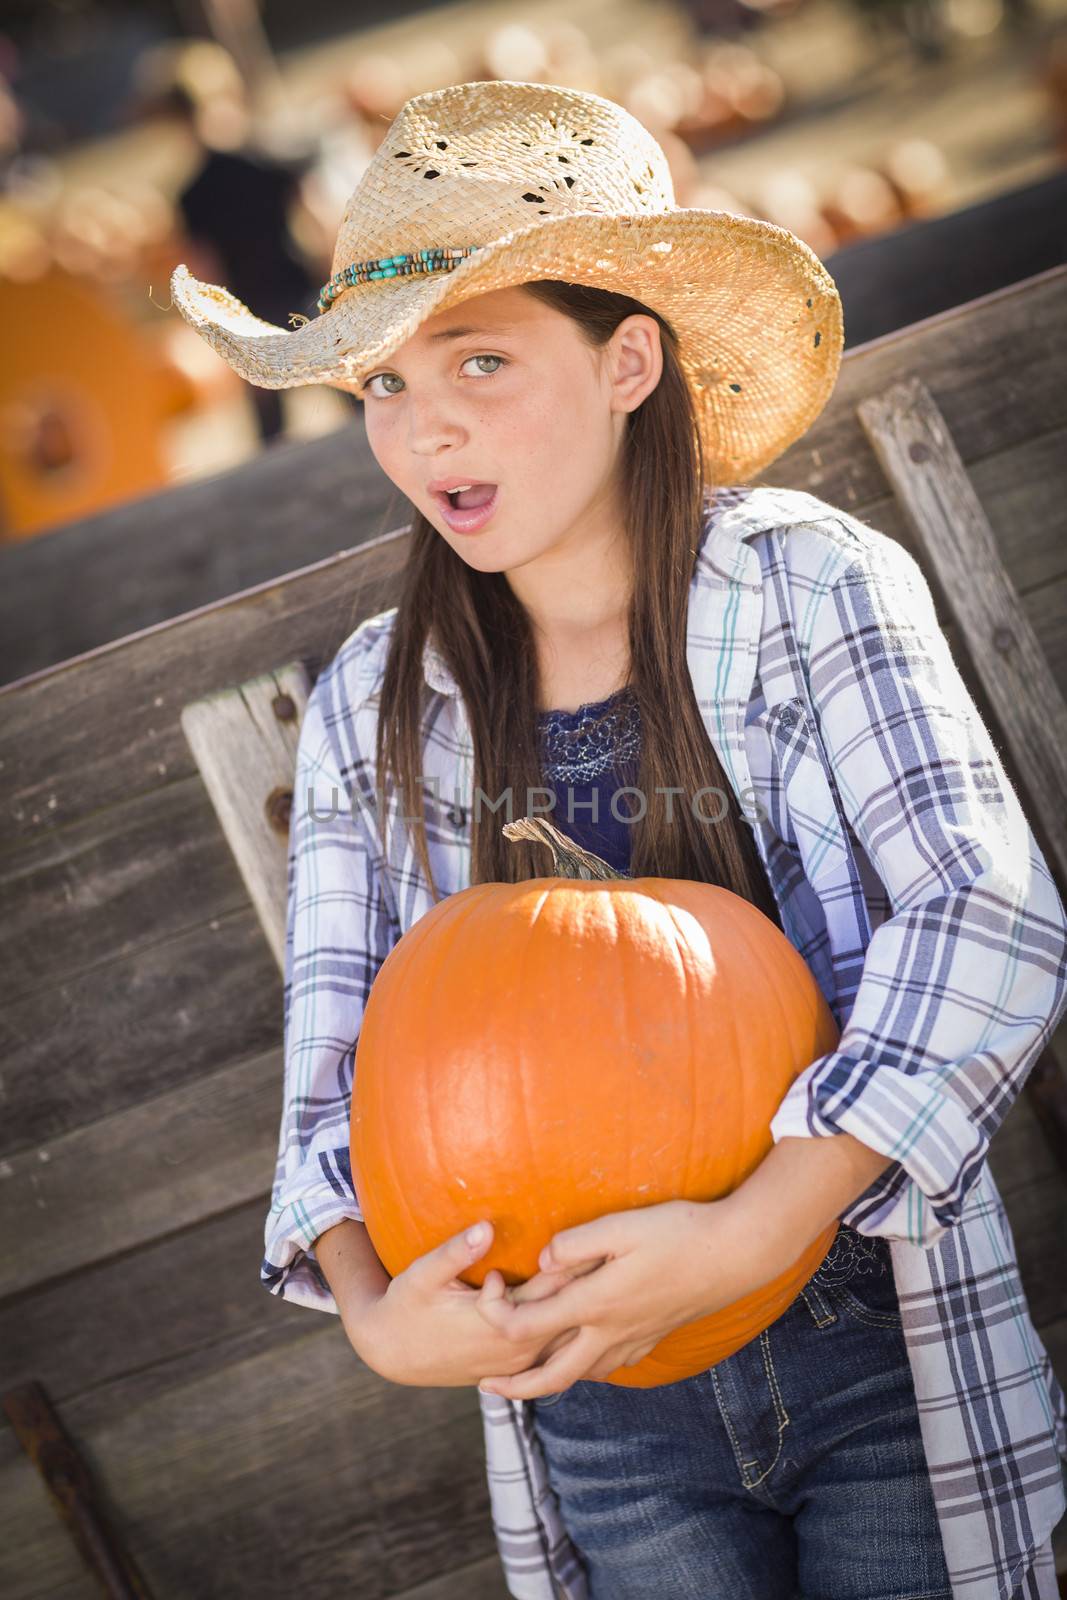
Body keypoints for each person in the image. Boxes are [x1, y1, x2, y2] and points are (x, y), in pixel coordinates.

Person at [170, 80, 1067, 1600]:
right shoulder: (385, 712)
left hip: (872, 1334)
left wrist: (756, 1228)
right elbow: (334, 1082)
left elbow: (984, 917)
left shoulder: (804, 587)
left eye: (480, 360)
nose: (424, 420)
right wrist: (381, 1317)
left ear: (628, 360)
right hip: (588, 1399)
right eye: (383, 383)